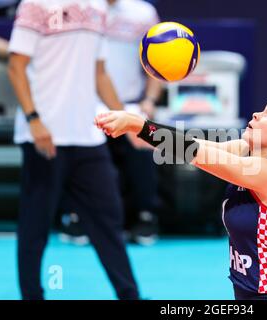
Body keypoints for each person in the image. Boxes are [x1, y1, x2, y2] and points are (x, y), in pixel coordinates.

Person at [95, 95, 267, 300]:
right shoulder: (246, 151)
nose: (257, 114)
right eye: (263, 109)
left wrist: (137, 124)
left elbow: (198, 154)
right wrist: (141, 132)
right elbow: (188, 144)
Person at [8, 0, 140, 299]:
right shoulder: (35, 4)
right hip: (44, 135)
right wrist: (34, 120)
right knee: (35, 224)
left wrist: (129, 122)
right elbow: (16, 66)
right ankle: (32, 296)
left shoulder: (98, 9)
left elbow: (100, 74)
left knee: (109, 220)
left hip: (87, 137)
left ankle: (130, 295)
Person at [103, 0, 163, 245]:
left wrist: (149, 100)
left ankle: (144, 216)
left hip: (131, 103)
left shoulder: (144, 12)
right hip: (87, 103)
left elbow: (157, 61)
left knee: (142, 146)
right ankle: (78, 216)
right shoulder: (82, 8)